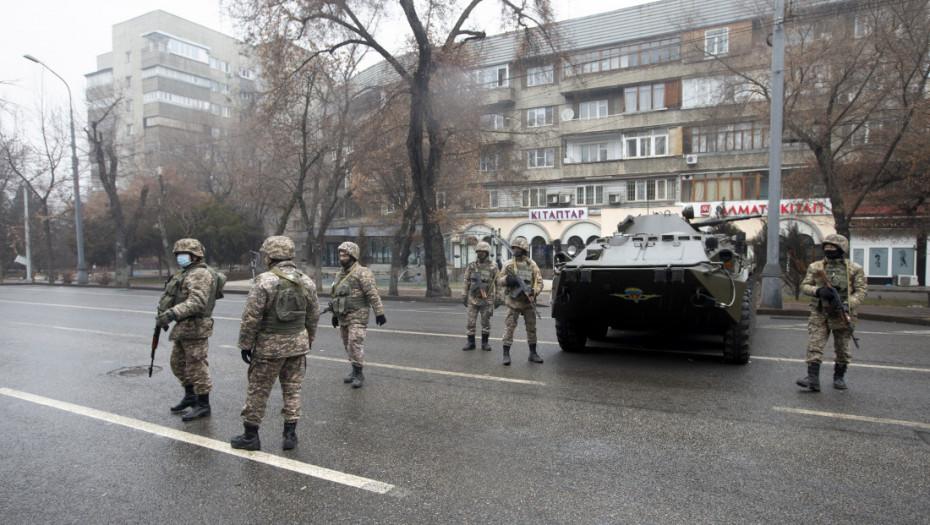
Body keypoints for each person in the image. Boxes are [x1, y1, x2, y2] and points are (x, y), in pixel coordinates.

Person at [231, 236, 319, 451]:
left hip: (269, 348)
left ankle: (251, 436)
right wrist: (309, 338)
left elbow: (251, 317)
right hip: (297, 345)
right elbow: (313, 315)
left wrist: (245, 344)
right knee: (292, 389)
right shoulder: (306, 281)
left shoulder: (265, 280)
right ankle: (290, 435)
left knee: (258, 391)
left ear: (271, 256)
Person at [156, 238, 219, 421]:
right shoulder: (186, 272)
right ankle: (190, 396)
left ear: (195, 255)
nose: (180, 258)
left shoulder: (199, 274)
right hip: (184, 327)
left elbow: (197, 302)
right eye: (178, 254)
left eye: (184, 254)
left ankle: (203, 404)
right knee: (177, 363)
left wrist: (171, 314)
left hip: (196, 327)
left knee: (197, 366)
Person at [796, 234, 867, 391]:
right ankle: (812, 378)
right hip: (820, 313)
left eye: (832, 247)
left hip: (842, 313)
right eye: (826, 247)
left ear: (842, 249)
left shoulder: (854, 269)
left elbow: (861, 291)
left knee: (842, 349)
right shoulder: (816, 267)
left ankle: (839, 377)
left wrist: (848, 304)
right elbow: (805, 286)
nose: (828, 249)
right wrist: (818, 290)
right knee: (815, 345)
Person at [331, 241, 386, 388]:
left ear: (353, 256)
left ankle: (359, 373)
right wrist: (334, 316)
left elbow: (372, 293)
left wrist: (379, 313)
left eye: (344, 255)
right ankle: (353, 371)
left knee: (355, 342)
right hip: (343, 315)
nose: (341, 258)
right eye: (340, 255)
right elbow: (335, 296)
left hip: (358, 314)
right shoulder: (339, 274)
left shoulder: (363, 272)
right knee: (347, 344)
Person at [497, 237, 545, 365]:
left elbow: (539, 282)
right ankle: (506, 354)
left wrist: (533, 292)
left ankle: (533, 353)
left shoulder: (531, 265)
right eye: (514, 248)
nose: (516, 250)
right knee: (509, 328)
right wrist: (507, 280)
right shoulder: (508, 264)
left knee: (531, 328)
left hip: (528, 303)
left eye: (518, 248)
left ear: (524, 249)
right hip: (513, 303)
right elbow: (499, 280)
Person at [461, 241, 499, 351]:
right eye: (478, 251)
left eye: (483, 251)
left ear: (487, 252)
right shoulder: (472, 266)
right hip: (473, 298)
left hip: (487, 299)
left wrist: (499, 298)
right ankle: (471, 342)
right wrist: (464, 295)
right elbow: (466, 281)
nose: (480, 253)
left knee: (485, 321)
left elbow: (498, 283)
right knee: (470, 322)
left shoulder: (493, 266)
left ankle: (485, 343)